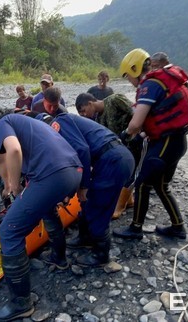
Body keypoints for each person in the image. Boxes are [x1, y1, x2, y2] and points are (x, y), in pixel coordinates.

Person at [0, 109, 82, 321]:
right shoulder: (31, 123)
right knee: (47, 210)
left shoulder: (2, 122)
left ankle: (21, 303)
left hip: (53, 175)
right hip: (74, 172)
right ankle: (59, 258)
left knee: (8, 232)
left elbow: (13, 151)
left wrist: (13, 184)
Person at [113, 49, 188, 240]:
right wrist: (141, 135)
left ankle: (135, 228)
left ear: (135, 68)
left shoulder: (150, 85)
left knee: (143, 183)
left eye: (128, 75)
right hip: (177, 142)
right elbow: (155, 117)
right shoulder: (160, 82)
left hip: (166, 143)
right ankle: (178, 227)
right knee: (161, 186)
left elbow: (136, 123)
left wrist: (124, 135)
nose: (129, 80)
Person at [38, 113, 134, 267]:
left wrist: (83, 186)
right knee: (88, 202)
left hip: (113, 160)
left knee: (97, 207)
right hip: (113, 158)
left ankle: (101, 255)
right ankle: (85, 237)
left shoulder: (58, 124)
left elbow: (82, 149)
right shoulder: (64, 125)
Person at [75, 92, 141, 219]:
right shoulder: (98, 120)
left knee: (133, 174)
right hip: (121, 148)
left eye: (83, 111)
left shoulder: (115, 100)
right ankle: (129, 200)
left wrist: (138, 133)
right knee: (125, 174)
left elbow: (136, 112)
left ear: (90, 103)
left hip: (135, 140)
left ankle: (120, 206)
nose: (83, 115)